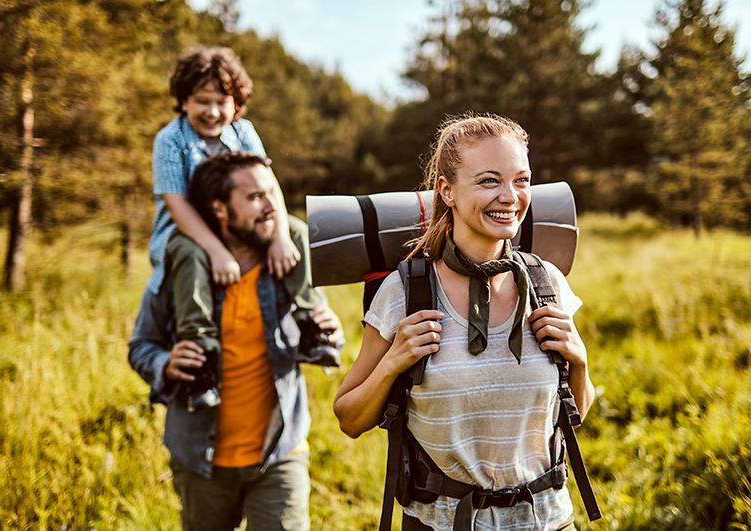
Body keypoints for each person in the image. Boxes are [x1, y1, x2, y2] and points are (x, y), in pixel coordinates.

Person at [333, 114, 595, 530]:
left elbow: (573, 412)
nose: (510, 197)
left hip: (548, 520)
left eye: (521, 180)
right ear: (447, 191)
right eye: (489, 181)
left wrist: (578, 363)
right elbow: (349, 418)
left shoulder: (548, 283)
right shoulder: (406, 293)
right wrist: (392, 363)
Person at [129, 151, 343, 530]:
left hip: (279, 452)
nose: (270, 206)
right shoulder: (182, 271)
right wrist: (166, 363)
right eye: (254, 197)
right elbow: (141, 346)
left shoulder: (287, 261)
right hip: (201, 461)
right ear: (220, 209)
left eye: (270, 193)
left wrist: (332, 332)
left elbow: (318, 334)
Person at [148, 46, 339, 367]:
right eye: (201, 101)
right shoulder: (171, 140)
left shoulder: (243, 132)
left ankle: (311, 322)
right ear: (183, 101)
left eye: (220, 102)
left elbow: (269, 185)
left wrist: (278, 236)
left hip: (243, 223)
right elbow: (176, 203)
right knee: (190, 254)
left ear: (235, 103)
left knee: (296, 232)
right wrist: (216, 251)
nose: (211, 112)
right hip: (188, 230)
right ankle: (201, 345)